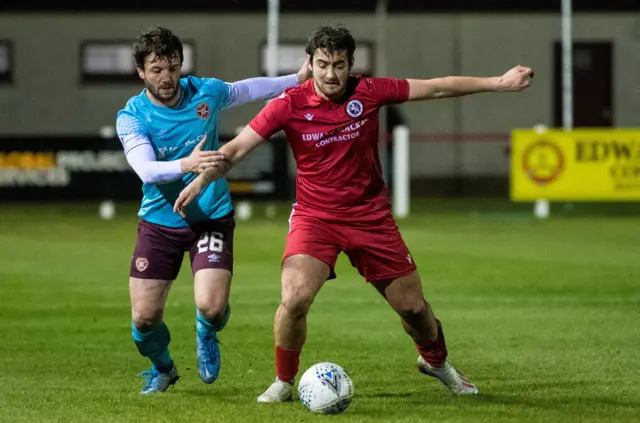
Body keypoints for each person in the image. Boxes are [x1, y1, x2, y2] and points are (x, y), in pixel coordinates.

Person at [174, 24, 533, 402]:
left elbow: (437, 86)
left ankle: (436, 362)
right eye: (323, 64)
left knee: (413, 309)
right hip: (315, 219)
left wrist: (499, 82)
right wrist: (201, 181)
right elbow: (236, 148)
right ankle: (283, 381)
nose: (331, 74)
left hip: (370, 218)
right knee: (294, 297)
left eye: (339, 64)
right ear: (309, 63)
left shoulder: (369, 92)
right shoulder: (288, 104)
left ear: (351, 65)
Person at [115, 26, 311, 394]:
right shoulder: (132, 116)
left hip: (211, 219)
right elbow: (145, 169)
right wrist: (186, 164)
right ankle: (163, 369)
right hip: (159, 223)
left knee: (211, 307)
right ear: (141, 72)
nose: (167, 77)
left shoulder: (205, 92)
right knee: (143, 320)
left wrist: (296, 79)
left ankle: (206, 332)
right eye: (156, 70)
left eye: (173, 67)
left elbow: (248, 89)